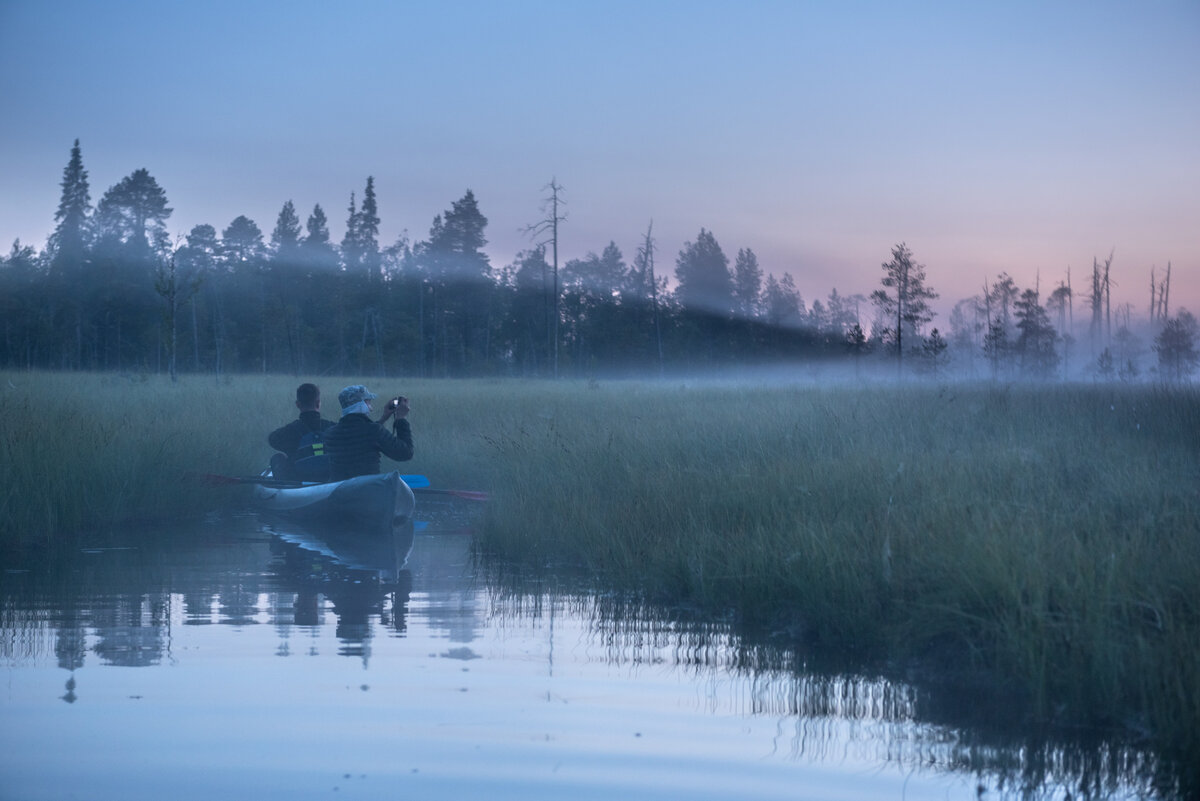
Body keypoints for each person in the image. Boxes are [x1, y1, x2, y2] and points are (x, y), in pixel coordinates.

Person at [323, 384, 414, 481]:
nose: (371, 408)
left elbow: (358, 434)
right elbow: (405, 453)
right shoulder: (373, 431)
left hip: (340, 492)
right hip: (367, 491)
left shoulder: (330, 433)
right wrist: (401, 419)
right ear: (361, 405)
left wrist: (383, 418)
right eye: (368, 403)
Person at [268, 383, 336, 481]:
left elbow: (271, 439)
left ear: (298, 404)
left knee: (278, 458)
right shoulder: (332, 427)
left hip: (299, 480)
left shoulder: (289, 431)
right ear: (318, 403)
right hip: (329, 478)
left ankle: (284, 486)